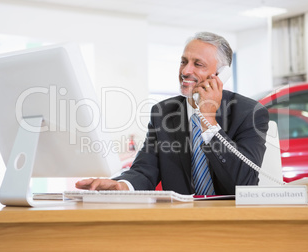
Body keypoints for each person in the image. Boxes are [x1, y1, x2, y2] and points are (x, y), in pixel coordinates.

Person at [76, 32, 269, 195]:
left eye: (198, 64)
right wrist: (121, 185)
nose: (185, 70)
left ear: (220, 75)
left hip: (231, 222)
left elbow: (245, 183)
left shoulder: (249, 113)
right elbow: (145, 170)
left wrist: (209, 121)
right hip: (179, 221)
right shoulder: (163, 113)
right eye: (184, 61)